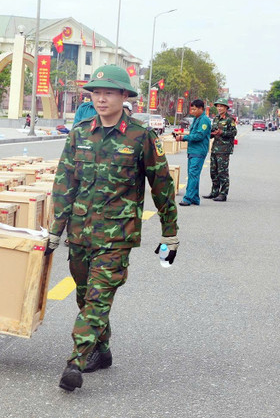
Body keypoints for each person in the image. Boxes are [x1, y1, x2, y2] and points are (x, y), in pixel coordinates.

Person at [46, 65, 179, 391]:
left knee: (97, 299)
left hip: (117, 237)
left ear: (123, 96)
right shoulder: (79, 134)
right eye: (96, 92)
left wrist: (170, 233)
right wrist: (55, 230)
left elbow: (162, 185)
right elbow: (64, 184)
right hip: (80, 233)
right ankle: (101, 350)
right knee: (85, 296)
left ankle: (75, 362)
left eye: (108, 93)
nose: (101, 99)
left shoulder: (141, 136)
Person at [204, 98, 237, 202]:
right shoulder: (216, 118)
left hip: (224, 149)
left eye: (221, 106)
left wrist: (222, 133)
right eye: (218, 106)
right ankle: (214, 192)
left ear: (226, 108)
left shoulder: (229, 119)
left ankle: (223, 194)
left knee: (222, 172)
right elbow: (213, 131)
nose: (219, 108)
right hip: (215, 148)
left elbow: (234, 133)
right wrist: (211, 134)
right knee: (213, 172)